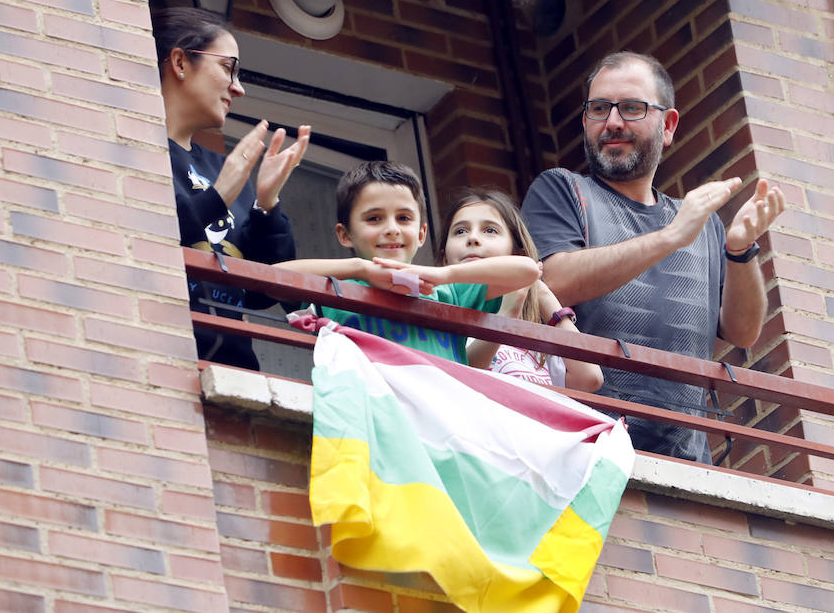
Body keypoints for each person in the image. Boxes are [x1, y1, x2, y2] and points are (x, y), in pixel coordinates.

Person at [522, 51, 785, 462]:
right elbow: (550, 279)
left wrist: (739, 250)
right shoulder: (563, 189)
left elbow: (743, 332)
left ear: (668, 126)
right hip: (585, 450)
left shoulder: (704, 224)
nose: (612, 123)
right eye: (598, 109)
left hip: (688, 462)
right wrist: (672, 236)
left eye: (630, 108)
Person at [153, 7, 311, 370]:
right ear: (179, 62)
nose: (238, 88)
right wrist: (218, 197)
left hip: (235, 372)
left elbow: (263, 294)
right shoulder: (138, 151)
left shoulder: (224, 169)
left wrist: (267, 205)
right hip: (163, 365)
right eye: (228, 68)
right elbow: (148, 239)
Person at [278, 161, 540, 365]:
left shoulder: (446, 291)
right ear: (345, 234)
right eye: (374, 219)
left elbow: (526, 270)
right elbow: (273, 277)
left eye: (403, 218)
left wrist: (443, 275)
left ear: (421, 234)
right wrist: (361, 269)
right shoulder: (337, 289)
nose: (392, 229)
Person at [440, 189, 603, 392]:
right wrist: (505, 319)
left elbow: (589, 377)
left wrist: (543, 295)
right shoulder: (440, 321)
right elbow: (460, 381)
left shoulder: (533, 338)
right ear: (445, 258)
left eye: (490, 230)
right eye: (460, 231)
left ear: (517, 253)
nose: (472, 238)